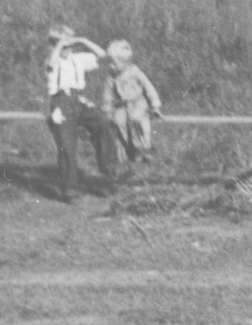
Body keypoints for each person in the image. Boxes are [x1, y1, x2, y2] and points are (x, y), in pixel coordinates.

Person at [42, 25, 113, 201]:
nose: (68, 48)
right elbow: (50, 65)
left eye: (70, 45)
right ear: (54, 44)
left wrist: (83, 41)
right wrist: (59, 45)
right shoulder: (51, 59)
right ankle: (70, 189)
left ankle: (109, 167)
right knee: (67, 146)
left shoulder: (79, 58)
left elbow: (104, 57)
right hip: (60, 102)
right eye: (64, 45)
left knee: (102, 122)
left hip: (78, 99)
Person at [102, 40, 165, 174]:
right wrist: (107, 109)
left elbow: (149, 87)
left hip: (138, 102)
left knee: (135, 119)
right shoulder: (112, 76)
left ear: (125, 62)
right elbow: (107, 94)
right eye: (111, 63)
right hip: (122, 105)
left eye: (115, 63)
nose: (112, 66)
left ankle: (144, 147)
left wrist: (155, 105)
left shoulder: (135, 72)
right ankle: (130, 149)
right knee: (118, 122)